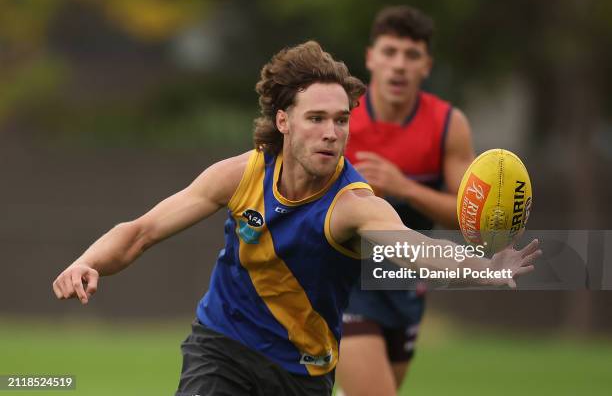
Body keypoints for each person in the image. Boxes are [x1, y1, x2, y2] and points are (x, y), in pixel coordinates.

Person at [52, 41, 539, 396]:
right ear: (284, 121)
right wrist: (87, 260)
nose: (331, 132)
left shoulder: (353, 204)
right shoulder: (240, 175)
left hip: (302, 373)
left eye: (341, 120)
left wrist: (485, 269)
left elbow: (412, 246)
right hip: (222, 346)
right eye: (316, 118)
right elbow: (141, 232)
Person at [338, 6, 476, 396]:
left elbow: (469, 220)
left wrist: (406, 187)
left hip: (403, 282)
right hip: (345, 282)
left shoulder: (448, 124)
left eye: (411, 55)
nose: (399, 65)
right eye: (389, 52)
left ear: (426, 65)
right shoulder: (341, 119)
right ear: (370, 58)